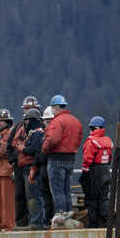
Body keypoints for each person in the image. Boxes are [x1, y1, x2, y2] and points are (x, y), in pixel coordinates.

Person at [42, 94, 83, 226]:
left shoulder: (57, 121)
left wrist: (45, 147)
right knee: (66, 188)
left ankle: (60, 212)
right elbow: (78, 139)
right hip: (70, 158)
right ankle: (69, 211)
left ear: (55, 107)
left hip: (56, 158)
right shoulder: (76, 121)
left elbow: (53, 139)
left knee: (57, 189)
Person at [6, 95, 40, 227]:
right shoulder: (19, 126)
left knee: (34, 196)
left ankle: (35, 222)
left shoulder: (40, 125)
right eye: (27, 108)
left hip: (33, 166)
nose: (28, 111)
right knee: (20, 196)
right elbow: (10, 145)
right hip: (19, 167)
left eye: (31, 108)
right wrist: (13, 162)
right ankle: (21, 223)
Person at [80, 116, 113, 227]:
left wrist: (84, 173)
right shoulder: (108, 141)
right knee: (104, 197)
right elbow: (110, 158)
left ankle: (93, 224)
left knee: (92, 199)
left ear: (93, 128)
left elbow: (87, 159)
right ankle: (106, 222)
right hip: (105, 170)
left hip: (94, 172)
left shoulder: (91, 141)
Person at [19, 108, 47, 229]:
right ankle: (35, 220)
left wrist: (22, 148)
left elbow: (34, 150)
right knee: (32, 197)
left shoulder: (37, 134)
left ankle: (36, 222)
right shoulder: (35, 133)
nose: (25, 124)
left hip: (32, 169)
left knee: (34, 197)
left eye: (26, 121)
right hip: (30, 168)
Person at [0, 109, 16, 231]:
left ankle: (8, 225)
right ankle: (0, 225)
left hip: (6, 171)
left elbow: (7, 151)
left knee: (8, 202)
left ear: (8, 121)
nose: (0, 123)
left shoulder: (11, 134)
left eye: (2, 121)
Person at [39, 105, 56, 223]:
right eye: (46, 121)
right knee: (46, 198)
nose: (48, 123)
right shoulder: (41, 135)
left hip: (53, 167)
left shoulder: (54, 135)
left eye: (50, 121)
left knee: (55, 195)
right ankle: (47, 220)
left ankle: (54, 219)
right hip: (43, 169)